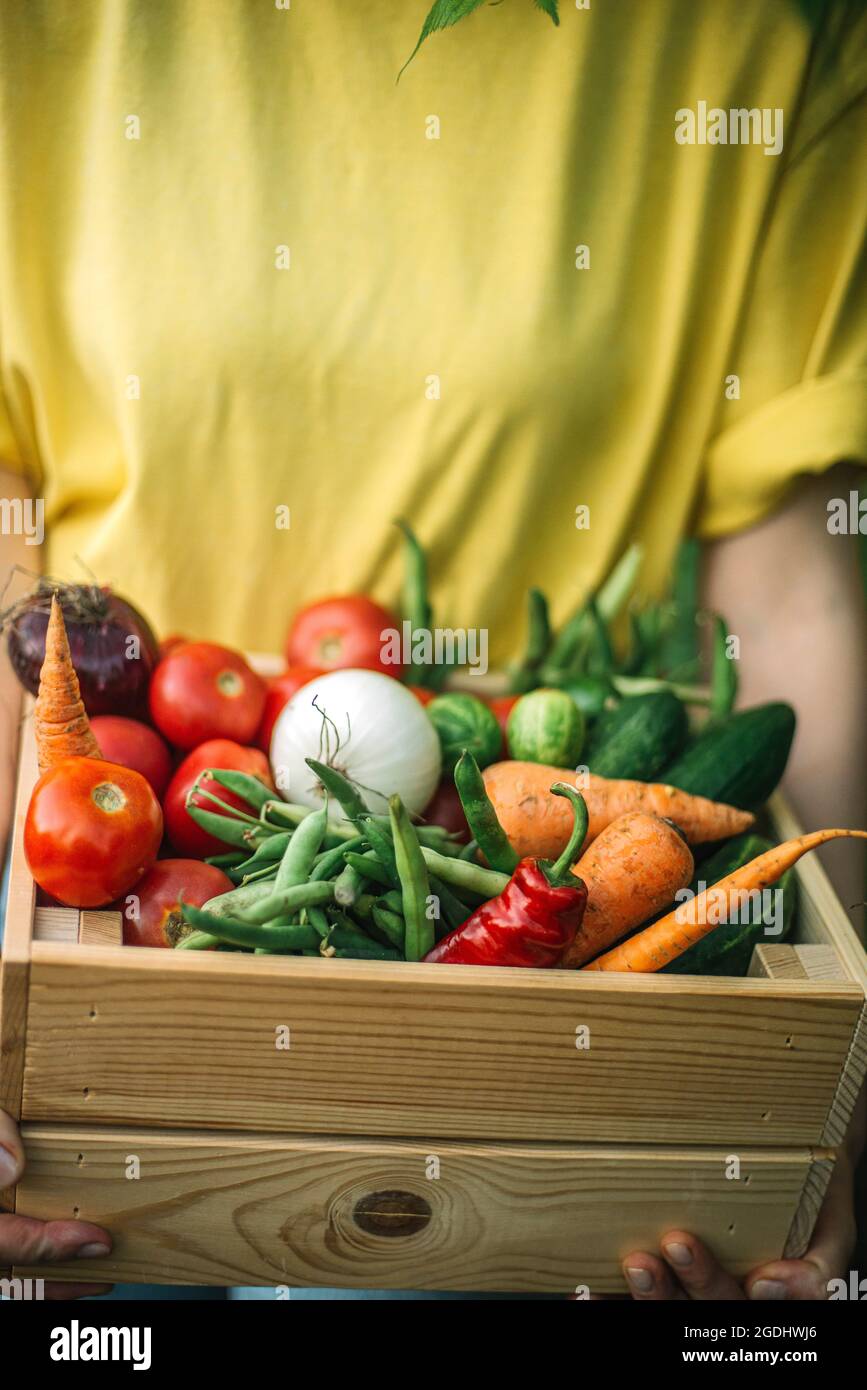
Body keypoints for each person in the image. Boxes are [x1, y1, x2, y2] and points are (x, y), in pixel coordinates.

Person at [0, 0, 865, 1302]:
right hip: (106, 886)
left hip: (557, 1072)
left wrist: (827, 1097)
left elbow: (792, 592)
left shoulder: (769, 26)